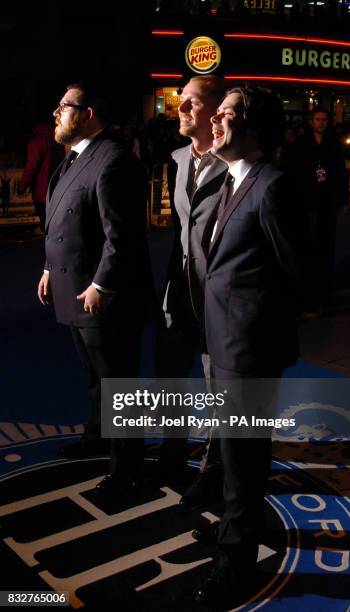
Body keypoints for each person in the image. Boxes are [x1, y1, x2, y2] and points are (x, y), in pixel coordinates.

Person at [193, 87, 299, 607]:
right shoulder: (233, 180)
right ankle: (234, 530)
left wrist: (256, 331)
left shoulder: (272, 185)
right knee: (235, 460)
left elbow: (296, 271)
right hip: (226, 346)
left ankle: (237, 564)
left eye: (227, 113)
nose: (215, 119)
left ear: (253, 126)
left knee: (246, 462)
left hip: (250, 352)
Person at [38, 83, 151, 482]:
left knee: (118, 384)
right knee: (95, 378)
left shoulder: (113, 159)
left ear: (88, 115)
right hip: (76, 289)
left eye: (64, 106)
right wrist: (51, 267)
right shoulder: (75, 157)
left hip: (103, 298)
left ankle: (128, 467)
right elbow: (71, 222)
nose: (56, 112)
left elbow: (121, 236)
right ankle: (99, 437)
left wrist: (102, 285)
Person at [156, 75, 228, 506]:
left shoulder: (235, 164)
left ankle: (213, 472)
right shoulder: (177, 158)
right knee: (169, 376)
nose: (180, 109)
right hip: (177, 293)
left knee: (217, 386)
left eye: (191, 103)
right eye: (180, 102)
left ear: (216, 111)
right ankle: (171, 448)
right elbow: (181, 232)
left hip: (217, 298)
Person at [287, 106, 349, 317]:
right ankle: (308, 296)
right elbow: (292, 173)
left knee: (326, 248)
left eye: (324, 119)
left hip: (327, 203)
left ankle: (324, 295)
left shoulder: (334, 144)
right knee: (307, 249)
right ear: (311, 121)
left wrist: (343, 201)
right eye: (318, 119)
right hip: (305, 203)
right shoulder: (300, 144)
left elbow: (341, 173)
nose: (321, 122)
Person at [18, 120, 64, 232]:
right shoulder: (57, 140)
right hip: (58, 189)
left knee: (45, 223)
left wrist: (22, 187)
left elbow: (31, 166)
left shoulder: (37, 140)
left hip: (42, 192)